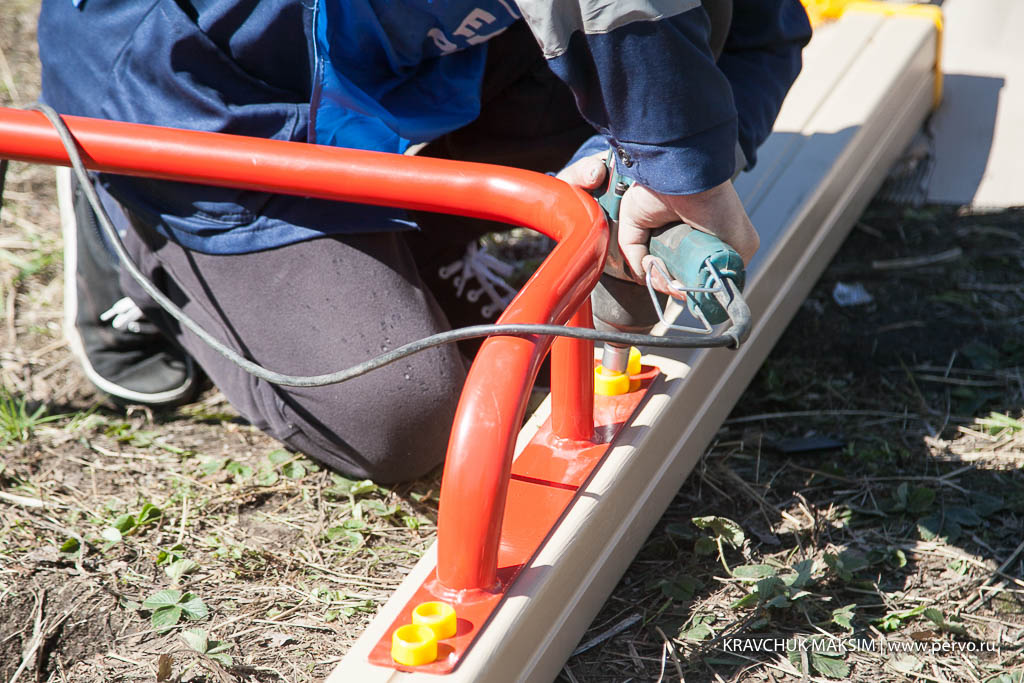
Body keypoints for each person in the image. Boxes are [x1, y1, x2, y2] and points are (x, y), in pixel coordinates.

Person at [37, 0, 811, 482]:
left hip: (398, 45)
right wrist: (682, 161)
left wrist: (646, 163)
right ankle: (129, 208)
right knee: (401, 415)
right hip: (199, 82)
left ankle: (409, 241)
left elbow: (755, 33)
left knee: (687, 42)